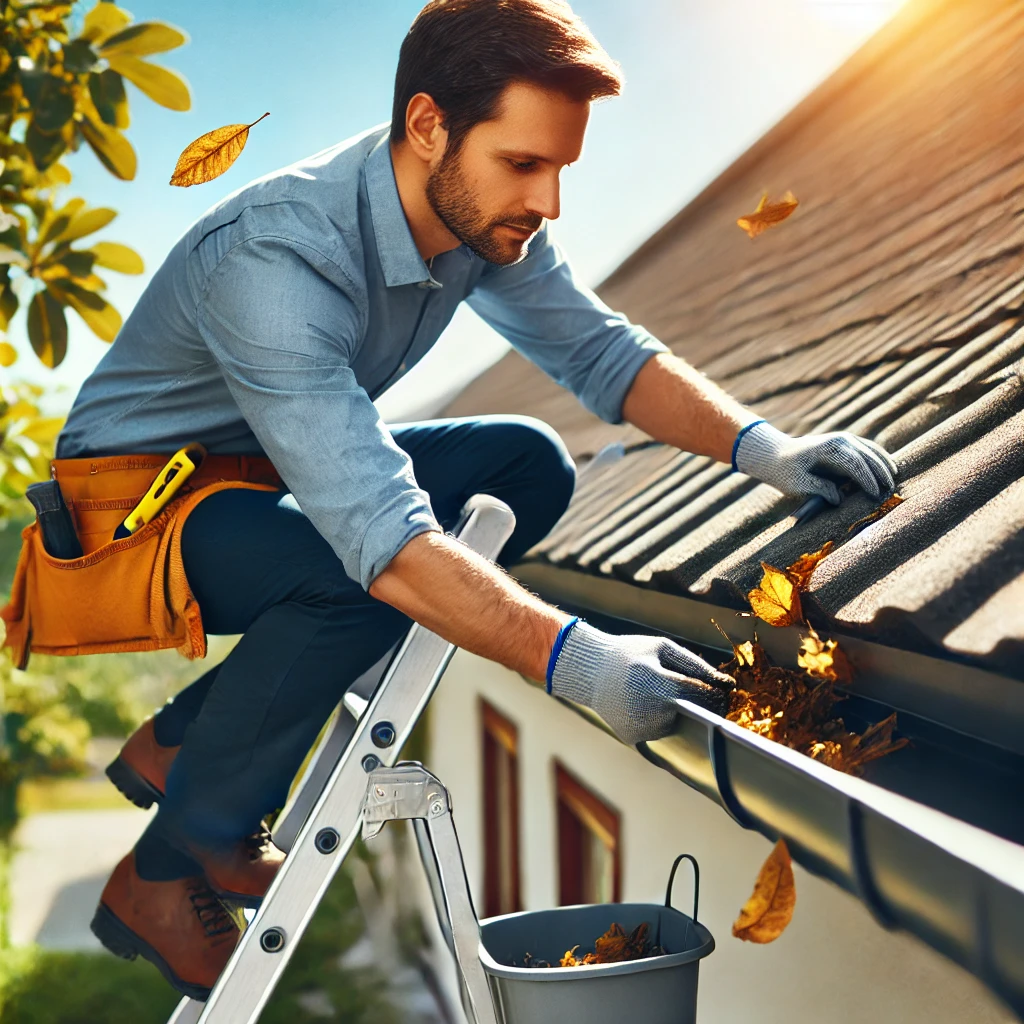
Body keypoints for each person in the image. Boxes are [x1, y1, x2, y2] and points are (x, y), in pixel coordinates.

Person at [52, 0, 896, 1000]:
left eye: (560, 170)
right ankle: (169, 863)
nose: (547, 203)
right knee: (354, 563)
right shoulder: (274, 258)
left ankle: (193, 738)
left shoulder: (473, 219)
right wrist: (577, 662)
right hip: (136, 513)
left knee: (526, 463)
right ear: (426, 127)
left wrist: (768, 450)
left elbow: (596, 350)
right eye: (523, 165)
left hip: (256, 475)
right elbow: (381, 535)